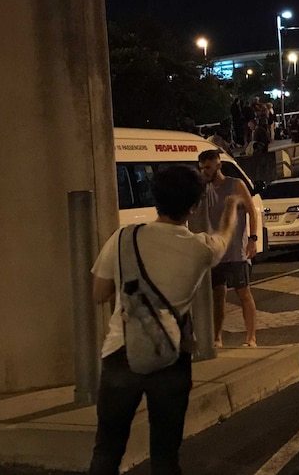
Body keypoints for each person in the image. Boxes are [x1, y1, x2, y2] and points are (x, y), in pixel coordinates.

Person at [88, 166, 239, 475]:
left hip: (121, 352)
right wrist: (231, 210)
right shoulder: (200, 248)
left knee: (107, 448)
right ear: (194, 206)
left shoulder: (123, 238)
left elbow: (99, 293)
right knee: (165, 454)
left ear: (154, 198)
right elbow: (223, 238)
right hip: (171, 356)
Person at [198, 150, 260, 347]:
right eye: (201, 168)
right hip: (216, 251)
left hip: (236, 251)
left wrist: (253, 239)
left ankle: (251, 338)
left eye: (207, 167)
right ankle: (217, 338)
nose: (204, 172)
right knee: (217, 295)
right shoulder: (204, 190)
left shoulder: (236, 185)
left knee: (243, 293)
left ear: (218, 165)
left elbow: (252, 211)